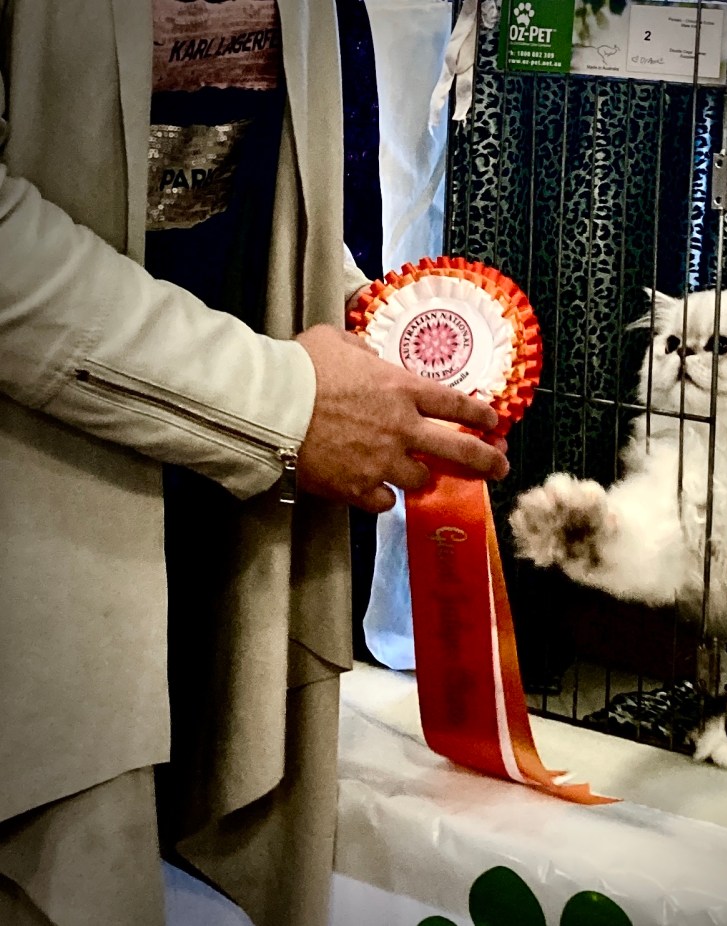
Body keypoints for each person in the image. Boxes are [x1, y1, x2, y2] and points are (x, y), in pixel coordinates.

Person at [0, 2, 507, 924]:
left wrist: (384, 331)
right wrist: (282, 405)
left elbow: (256, 166)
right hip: (46, 525)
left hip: (226, 533)